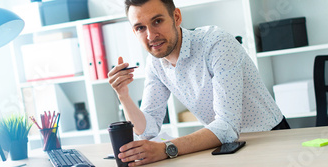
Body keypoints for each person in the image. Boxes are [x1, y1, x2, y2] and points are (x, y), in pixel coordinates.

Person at [107, 0, 289, 166]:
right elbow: (148, 129)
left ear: (176, 17)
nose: (151, 35)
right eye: (140, 28)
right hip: (225, 146)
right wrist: (123, 95)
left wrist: (166, 149)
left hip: (269, 138)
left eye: (157, 21)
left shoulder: (216, 43)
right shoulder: (155, 63)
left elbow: (227, 125)